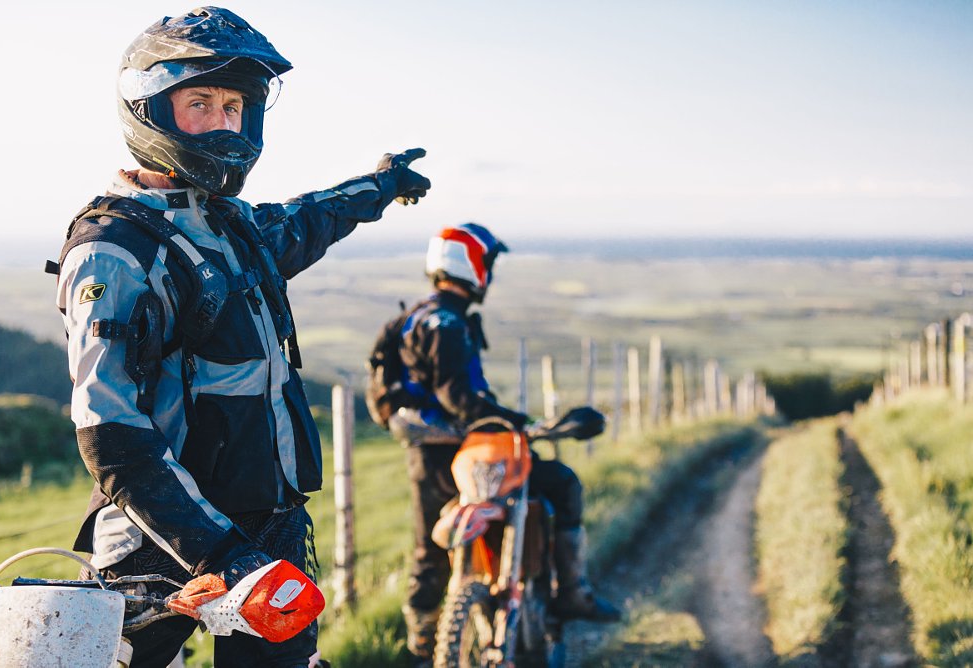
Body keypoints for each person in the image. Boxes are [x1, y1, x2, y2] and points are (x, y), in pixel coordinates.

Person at [51, 7, 430, 667]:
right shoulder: (116, 247)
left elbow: (314, 217)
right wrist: (222, 553)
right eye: (201, 103)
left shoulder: (231, 226)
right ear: (149, 110)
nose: (224, 123)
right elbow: (107, 429)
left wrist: (383, 184)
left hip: (269, 525)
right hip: (162, 545)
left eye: (236, 106)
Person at [384, 224, 620, 666]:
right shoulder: (448, 323)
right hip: (461, 453)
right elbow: (462, 399)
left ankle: (424, 650)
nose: (488, 273)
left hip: (428, 453)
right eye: (487, 263)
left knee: (429, 549)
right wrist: (526, 425)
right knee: (562, 483)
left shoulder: (420, 316)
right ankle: (571, 593)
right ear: (470, 264)